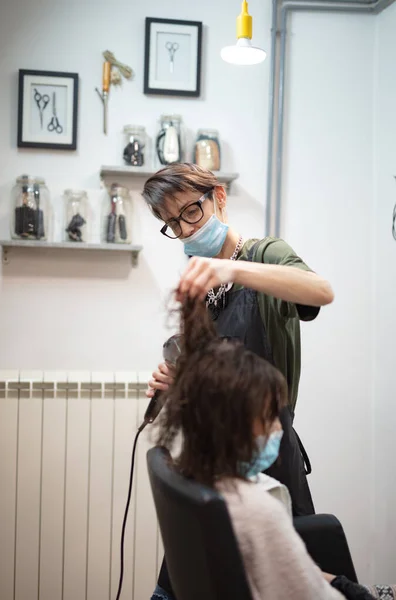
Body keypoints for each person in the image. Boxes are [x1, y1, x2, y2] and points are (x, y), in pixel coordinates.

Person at [142, 162, 334, 599]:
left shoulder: (265, 253)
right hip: (213, 457)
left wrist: (234, 268)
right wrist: (179, 378)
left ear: (219, 197)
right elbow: (215, 370)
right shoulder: (200, 278)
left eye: (190, 212)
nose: (185, 229)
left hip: (265, 451)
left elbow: (321, 291)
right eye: (171, 223)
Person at [152, 296, 375, 600]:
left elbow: (293, 573)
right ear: (235, 427)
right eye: (271, 417)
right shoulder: (260, 510)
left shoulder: (194, 478)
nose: (280, 429)